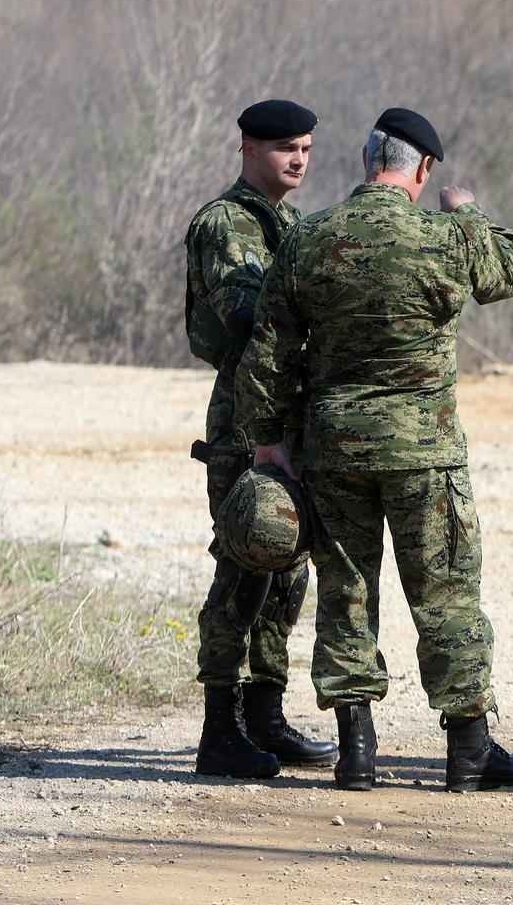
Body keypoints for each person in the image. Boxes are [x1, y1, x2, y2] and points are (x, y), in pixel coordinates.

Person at [234, 108, 513, 793]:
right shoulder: (445, 236)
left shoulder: (311, 237)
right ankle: (467, 753)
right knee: (447, 594)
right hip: (425, 454)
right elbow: (508, 272)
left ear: (367, 158)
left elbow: (271, 349)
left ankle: (357, 753)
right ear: (423, 170)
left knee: (346, 592)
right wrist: (471, 210)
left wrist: (270, 439)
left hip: (334, 450)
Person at [183, 98, 335, 778]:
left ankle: (266, 715)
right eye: (284, 149)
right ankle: (220, 728)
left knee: (289, 571)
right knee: (244, 563)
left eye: (304, 147)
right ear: (248, 149)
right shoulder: (226, 224)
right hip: (246, 415)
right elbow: (246, 315)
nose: (298, 159)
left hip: (291, 412)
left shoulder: (290, 224)